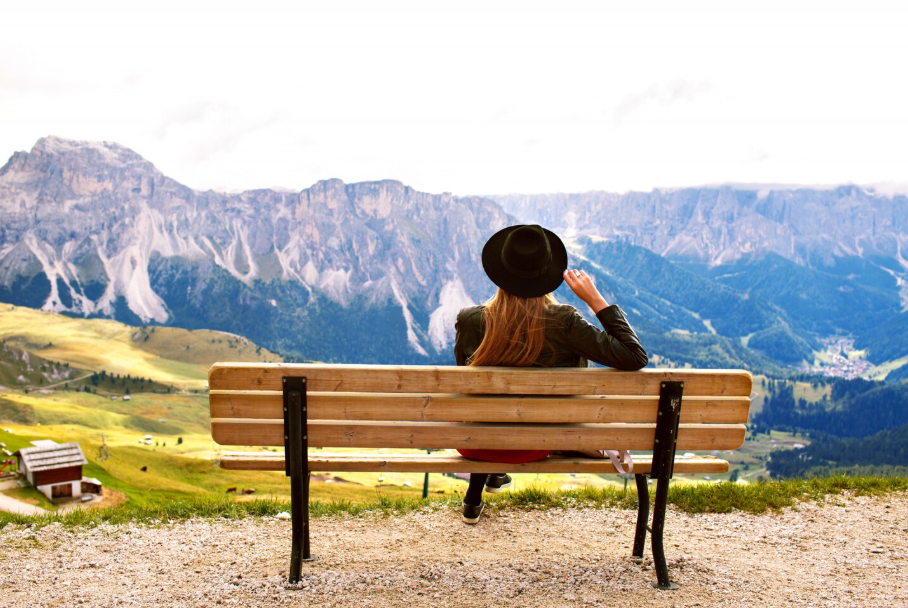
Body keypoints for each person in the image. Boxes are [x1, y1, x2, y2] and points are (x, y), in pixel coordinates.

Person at [453, 224, 648, 523]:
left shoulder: (470, 319)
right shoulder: (564, 322)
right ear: (548, 274)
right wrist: (595, 299)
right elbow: (634, 355)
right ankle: (491, 477)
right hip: (538, 444)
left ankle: (477, 493)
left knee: (491, 409)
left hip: (476, 441)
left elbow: (466, 385)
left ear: (500, 271)